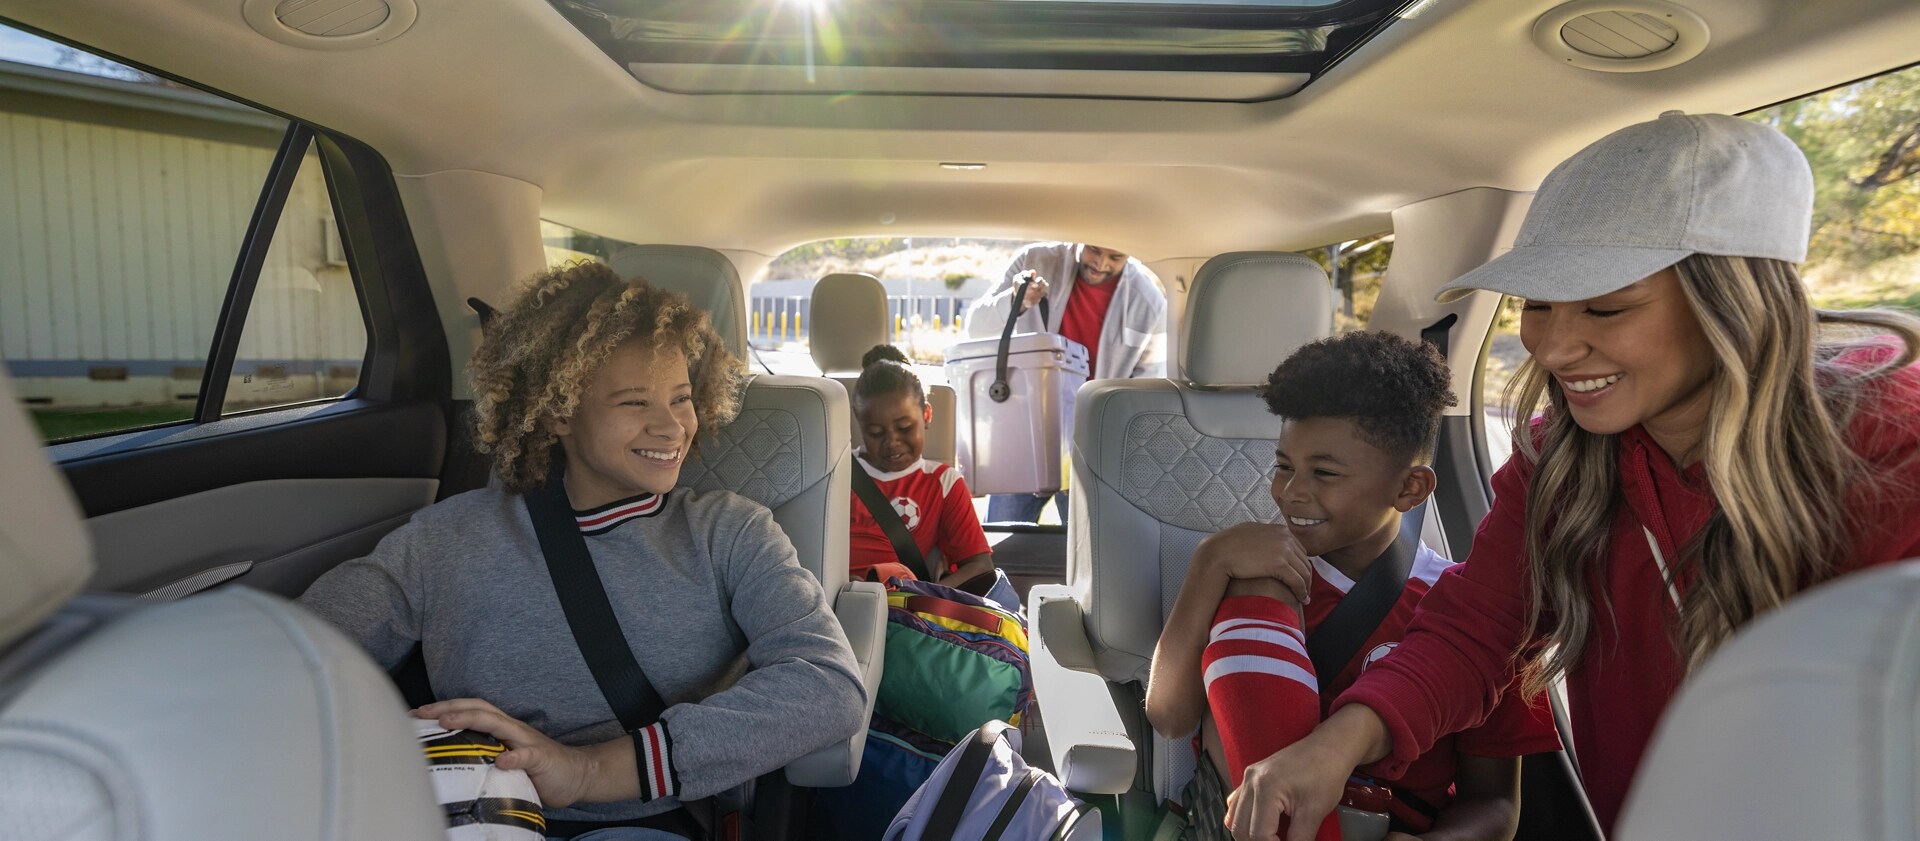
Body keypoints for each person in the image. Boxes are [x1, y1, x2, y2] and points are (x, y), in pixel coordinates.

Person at [1224, 112, 1920, 841]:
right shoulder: (1557, 456)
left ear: (1735, 302)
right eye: (1537, 304)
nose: (1553, 348)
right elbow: (1478, 630)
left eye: (1606, 307)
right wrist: (1333, 746)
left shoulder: (1888, 449)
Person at [298, 261, 868, 841]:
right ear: (559, 412)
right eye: (634, 403)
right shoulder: (443, 540)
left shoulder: (731, 532)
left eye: (681, 398)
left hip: (639, 821)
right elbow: (298, 652)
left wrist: (587, 771)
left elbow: (828, 686)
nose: (671, 427)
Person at [1145, 331, 1557, 841]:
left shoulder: (1473, 620)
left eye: (1324, 473)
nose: (1292, 492)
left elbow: (1495, 803)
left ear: (1410, 488)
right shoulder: (1253, 581)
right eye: (1283, 467)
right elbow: (1169, 716)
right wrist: (1209, 563)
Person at [965, 242, 1168, 525]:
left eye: (1115, 257)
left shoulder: (1150, 302)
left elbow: (1147, 390)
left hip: (1091, 448)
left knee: (1085, 545)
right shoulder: (1033, 261)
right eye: (1094, 250)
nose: (1101, 264)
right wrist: (1015, 300)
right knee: (1000, 535)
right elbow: (975, 328)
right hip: (1023, 436)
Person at [848, 344, 996, 595]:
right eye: (876, 432)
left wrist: (919, 596)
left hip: (902, 606)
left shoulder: (944, 483)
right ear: (859, 423)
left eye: (904, 428)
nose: (892, 442)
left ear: (926, 415)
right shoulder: (836, 473)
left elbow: (980, 566)